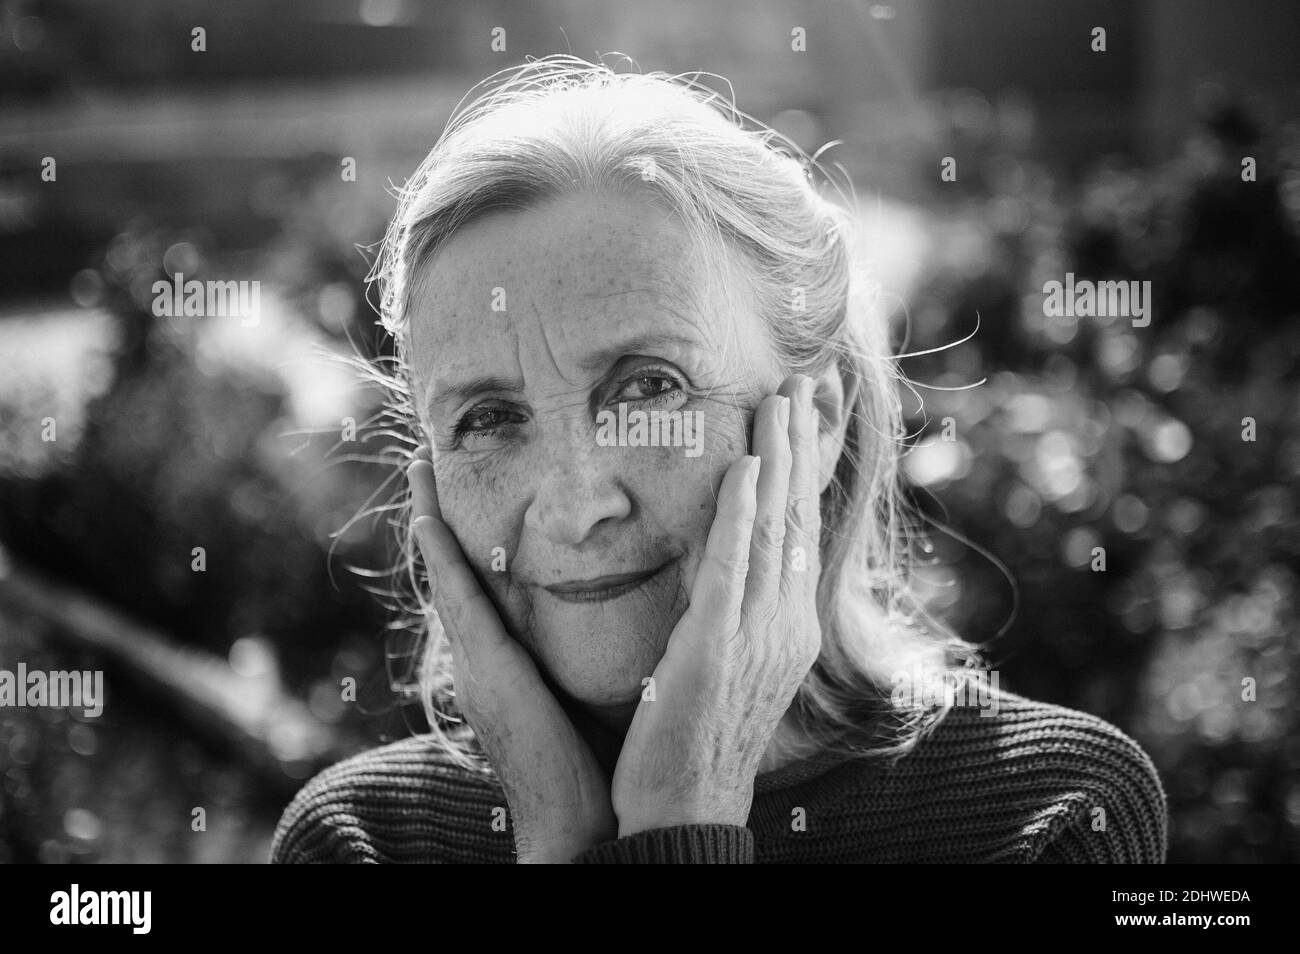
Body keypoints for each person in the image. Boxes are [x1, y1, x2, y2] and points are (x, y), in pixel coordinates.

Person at [272, 55, 1167, 864]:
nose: (577, 504)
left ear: (813, 422)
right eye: (490, 418)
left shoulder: (1053, 814)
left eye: (648, 389)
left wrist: (680, 822)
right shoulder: (359, 842)